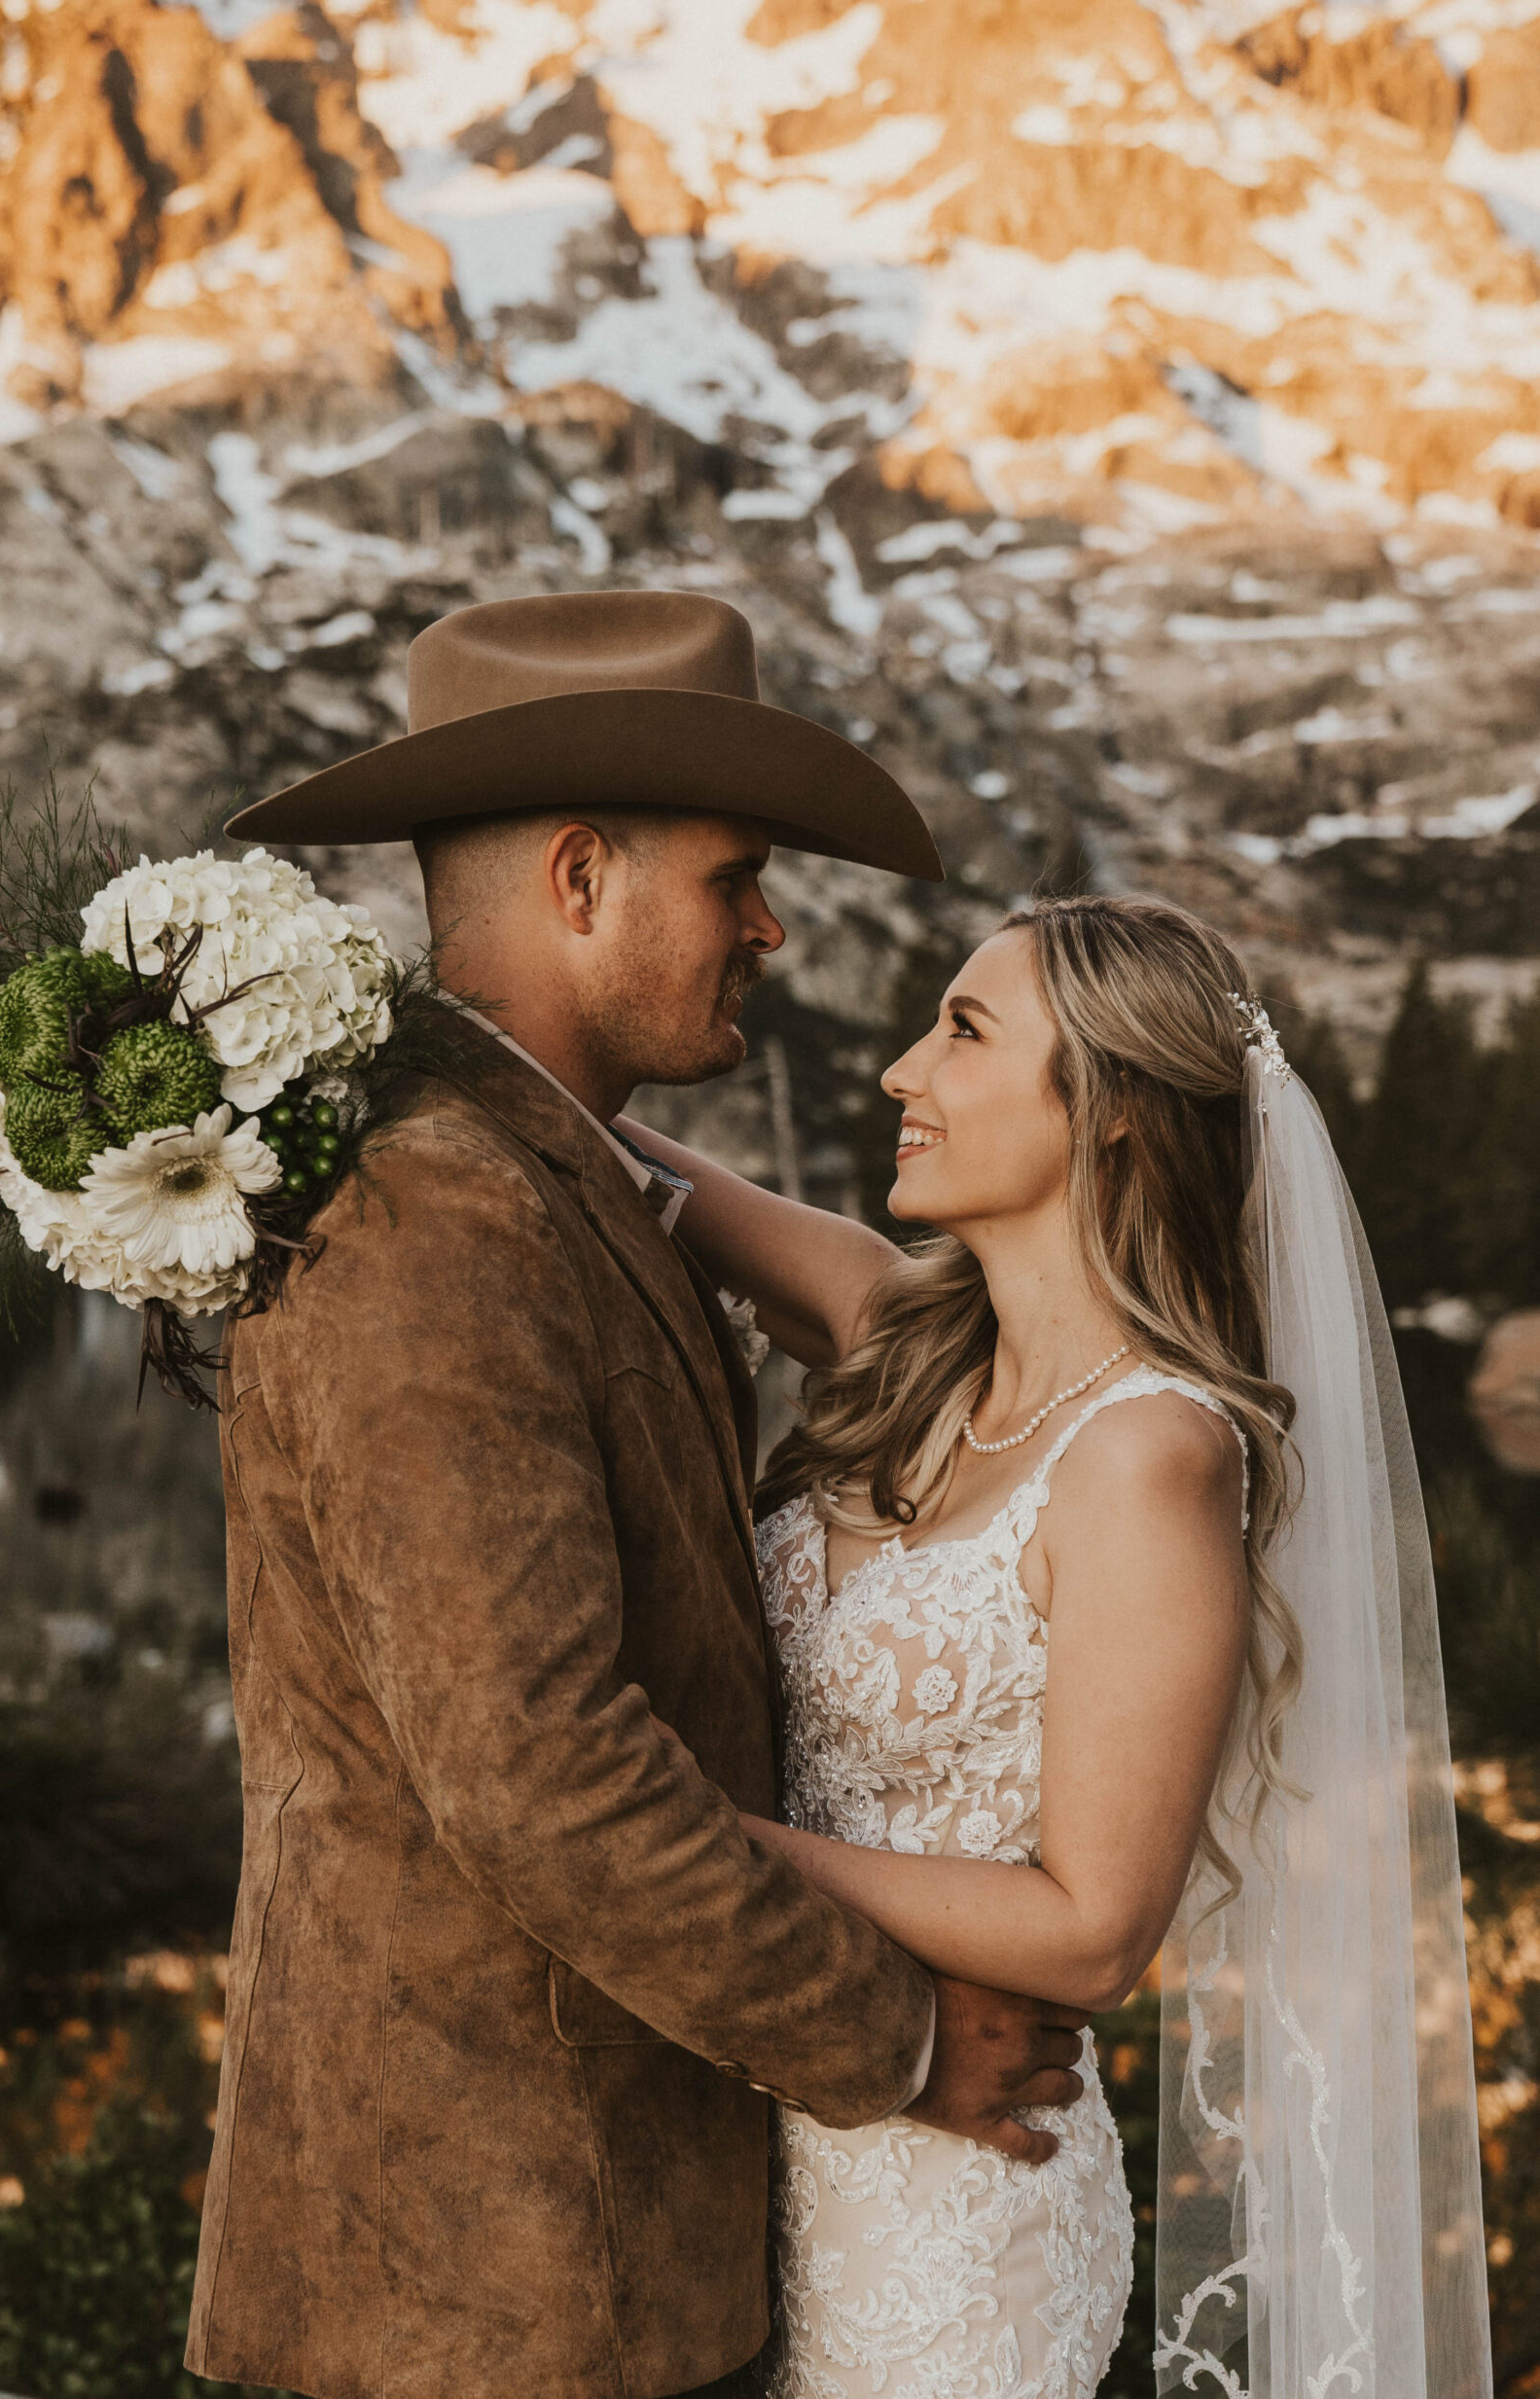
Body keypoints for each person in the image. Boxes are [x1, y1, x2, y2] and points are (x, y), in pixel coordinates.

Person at [183, 589, 1089, 2399]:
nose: (769, 926)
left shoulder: (541, 1172)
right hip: (470, 2300)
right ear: (581, 879)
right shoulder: (439, 1214)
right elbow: (542, 1770)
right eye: (734, 877)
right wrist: (898, 2041)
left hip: (583, 2269)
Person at [627, 895, 1493, 2399]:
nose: (903, 1071)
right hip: (749, 2136)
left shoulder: (1151, 1454)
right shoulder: (898, 1338)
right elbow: (617, 1166)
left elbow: (1096, 1926)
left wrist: (698, 1841)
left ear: (1111, 1113)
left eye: (964, 1031)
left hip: (957, 2220)